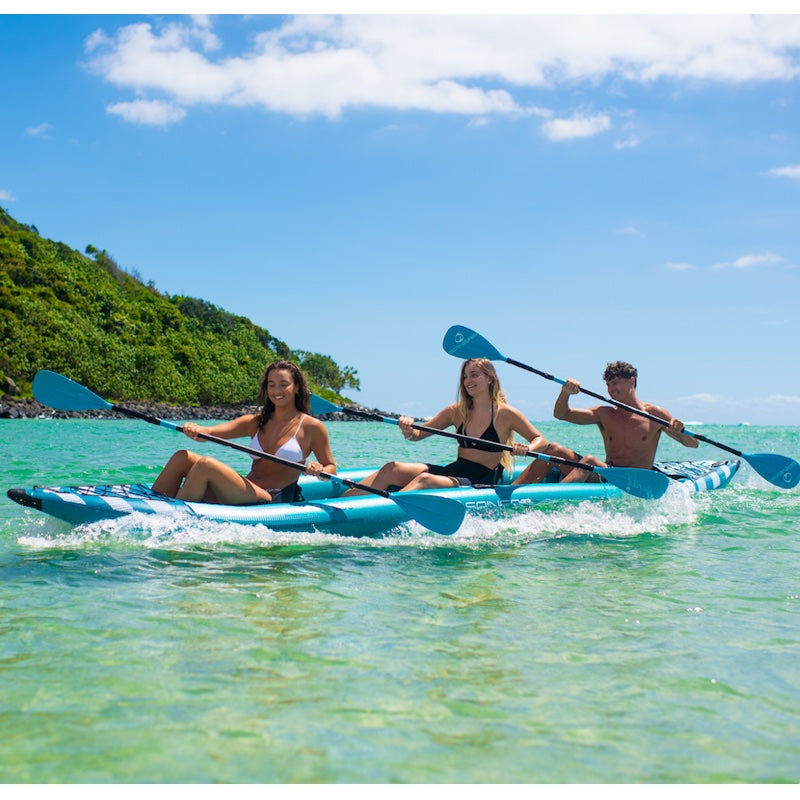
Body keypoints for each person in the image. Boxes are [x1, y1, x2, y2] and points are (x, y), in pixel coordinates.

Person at [344, 357, 547, 494]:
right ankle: (342, 507)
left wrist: (528, 448)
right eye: (465, 376)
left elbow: (541, 440)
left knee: (425, 480)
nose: (468, 381)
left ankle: (385, 511)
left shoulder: (505, 414)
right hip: (455, 471)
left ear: (490, 378)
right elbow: (416, 435)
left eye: (474, 375)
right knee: (392, 468)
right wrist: (407, 428)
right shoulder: (456, 411)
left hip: (481, 481)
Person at [151, 360, 336, 504]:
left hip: (270, 498)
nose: (276, 390)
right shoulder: (255, 421)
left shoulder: (311, 426)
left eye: (283, 384)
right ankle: (151, 504)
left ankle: (176, 516)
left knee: (207, 464)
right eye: (271, 385)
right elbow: (208, 433)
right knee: (182, 457)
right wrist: (196, 430)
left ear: (296, 387)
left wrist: (318, 470)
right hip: (244, 489)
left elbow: (331, 467)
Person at [514, 360, 698, 485]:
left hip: (632, 480)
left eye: (615, 383)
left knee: (590, 460)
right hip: (606, 473)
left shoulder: (654, 414)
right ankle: (509, 494)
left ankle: (555, 501)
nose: (611, 390)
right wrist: (565, 393)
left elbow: (692, 444)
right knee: (553, 449)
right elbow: (561, 414)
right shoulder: (604, 413)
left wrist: (680, 430)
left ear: (631, 381)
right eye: (608, 385)